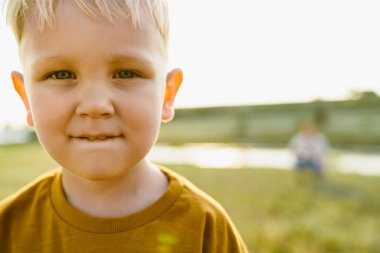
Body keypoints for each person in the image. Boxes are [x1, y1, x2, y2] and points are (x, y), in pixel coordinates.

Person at [0, 1, 248, 252]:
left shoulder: (206, 229)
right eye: (62, 75)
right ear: (26, 97)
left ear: (167, 94)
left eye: (126, 74)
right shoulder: (7, 228)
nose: (95, 105)